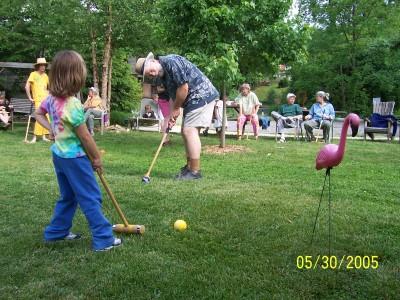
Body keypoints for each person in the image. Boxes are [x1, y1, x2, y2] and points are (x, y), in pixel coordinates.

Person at [35, 50, 121, 252]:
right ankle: (103, 237)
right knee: (90, 196)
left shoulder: (50, 99)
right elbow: (85, 137)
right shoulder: (72, 105)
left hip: (59, 156)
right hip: (75, 159)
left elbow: (37, 114)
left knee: (69, 196)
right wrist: (97, 158)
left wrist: (51, 130)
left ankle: (56, 232)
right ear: (76, 77)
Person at [135, 52, 219, 180]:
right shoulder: (161, 77)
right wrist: (170, 116)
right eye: (148, 75)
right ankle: (189, 167)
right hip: (193, 99)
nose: (151, 74)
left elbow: (183, 88)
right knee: (185, 131)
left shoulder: (170, 62)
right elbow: (172, 97)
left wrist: (176, 108)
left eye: (150, 71)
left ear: (153, 61)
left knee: (189, 130)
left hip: (202, 95)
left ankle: (195, 172)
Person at [25, 57, 50, 143]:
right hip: (38, 100)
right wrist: (29, 97)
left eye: (44, 65)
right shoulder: (33, 74)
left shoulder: (46, 76)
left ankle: (44, 136)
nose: (43, 67)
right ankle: (35, 137)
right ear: (38, 66)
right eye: (41, 65)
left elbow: (47, 89)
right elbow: (27, 86)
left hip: (46, 99)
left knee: (47, 117)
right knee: (39, 117)